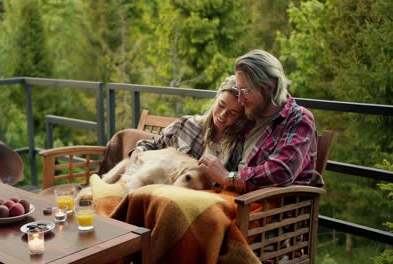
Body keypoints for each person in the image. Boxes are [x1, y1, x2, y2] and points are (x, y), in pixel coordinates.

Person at [199, 49, 324, 193]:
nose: (240, 99)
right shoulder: (250, 115)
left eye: (245, 91)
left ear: (271, 86)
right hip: (235, 197)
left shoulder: (298, 119)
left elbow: (281, 171)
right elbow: (218, 117)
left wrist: (229, 177)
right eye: (238, 90)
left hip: (268, 207)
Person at [99, 75, 246, 177]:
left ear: (240, 117)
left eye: (232, 113)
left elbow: (232, 181)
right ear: (216, 99)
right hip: (164, 188)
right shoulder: (187, 125)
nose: (223, 115)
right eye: (221, 105)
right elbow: (154, 144)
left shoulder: (236, 146)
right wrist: (138, 151)